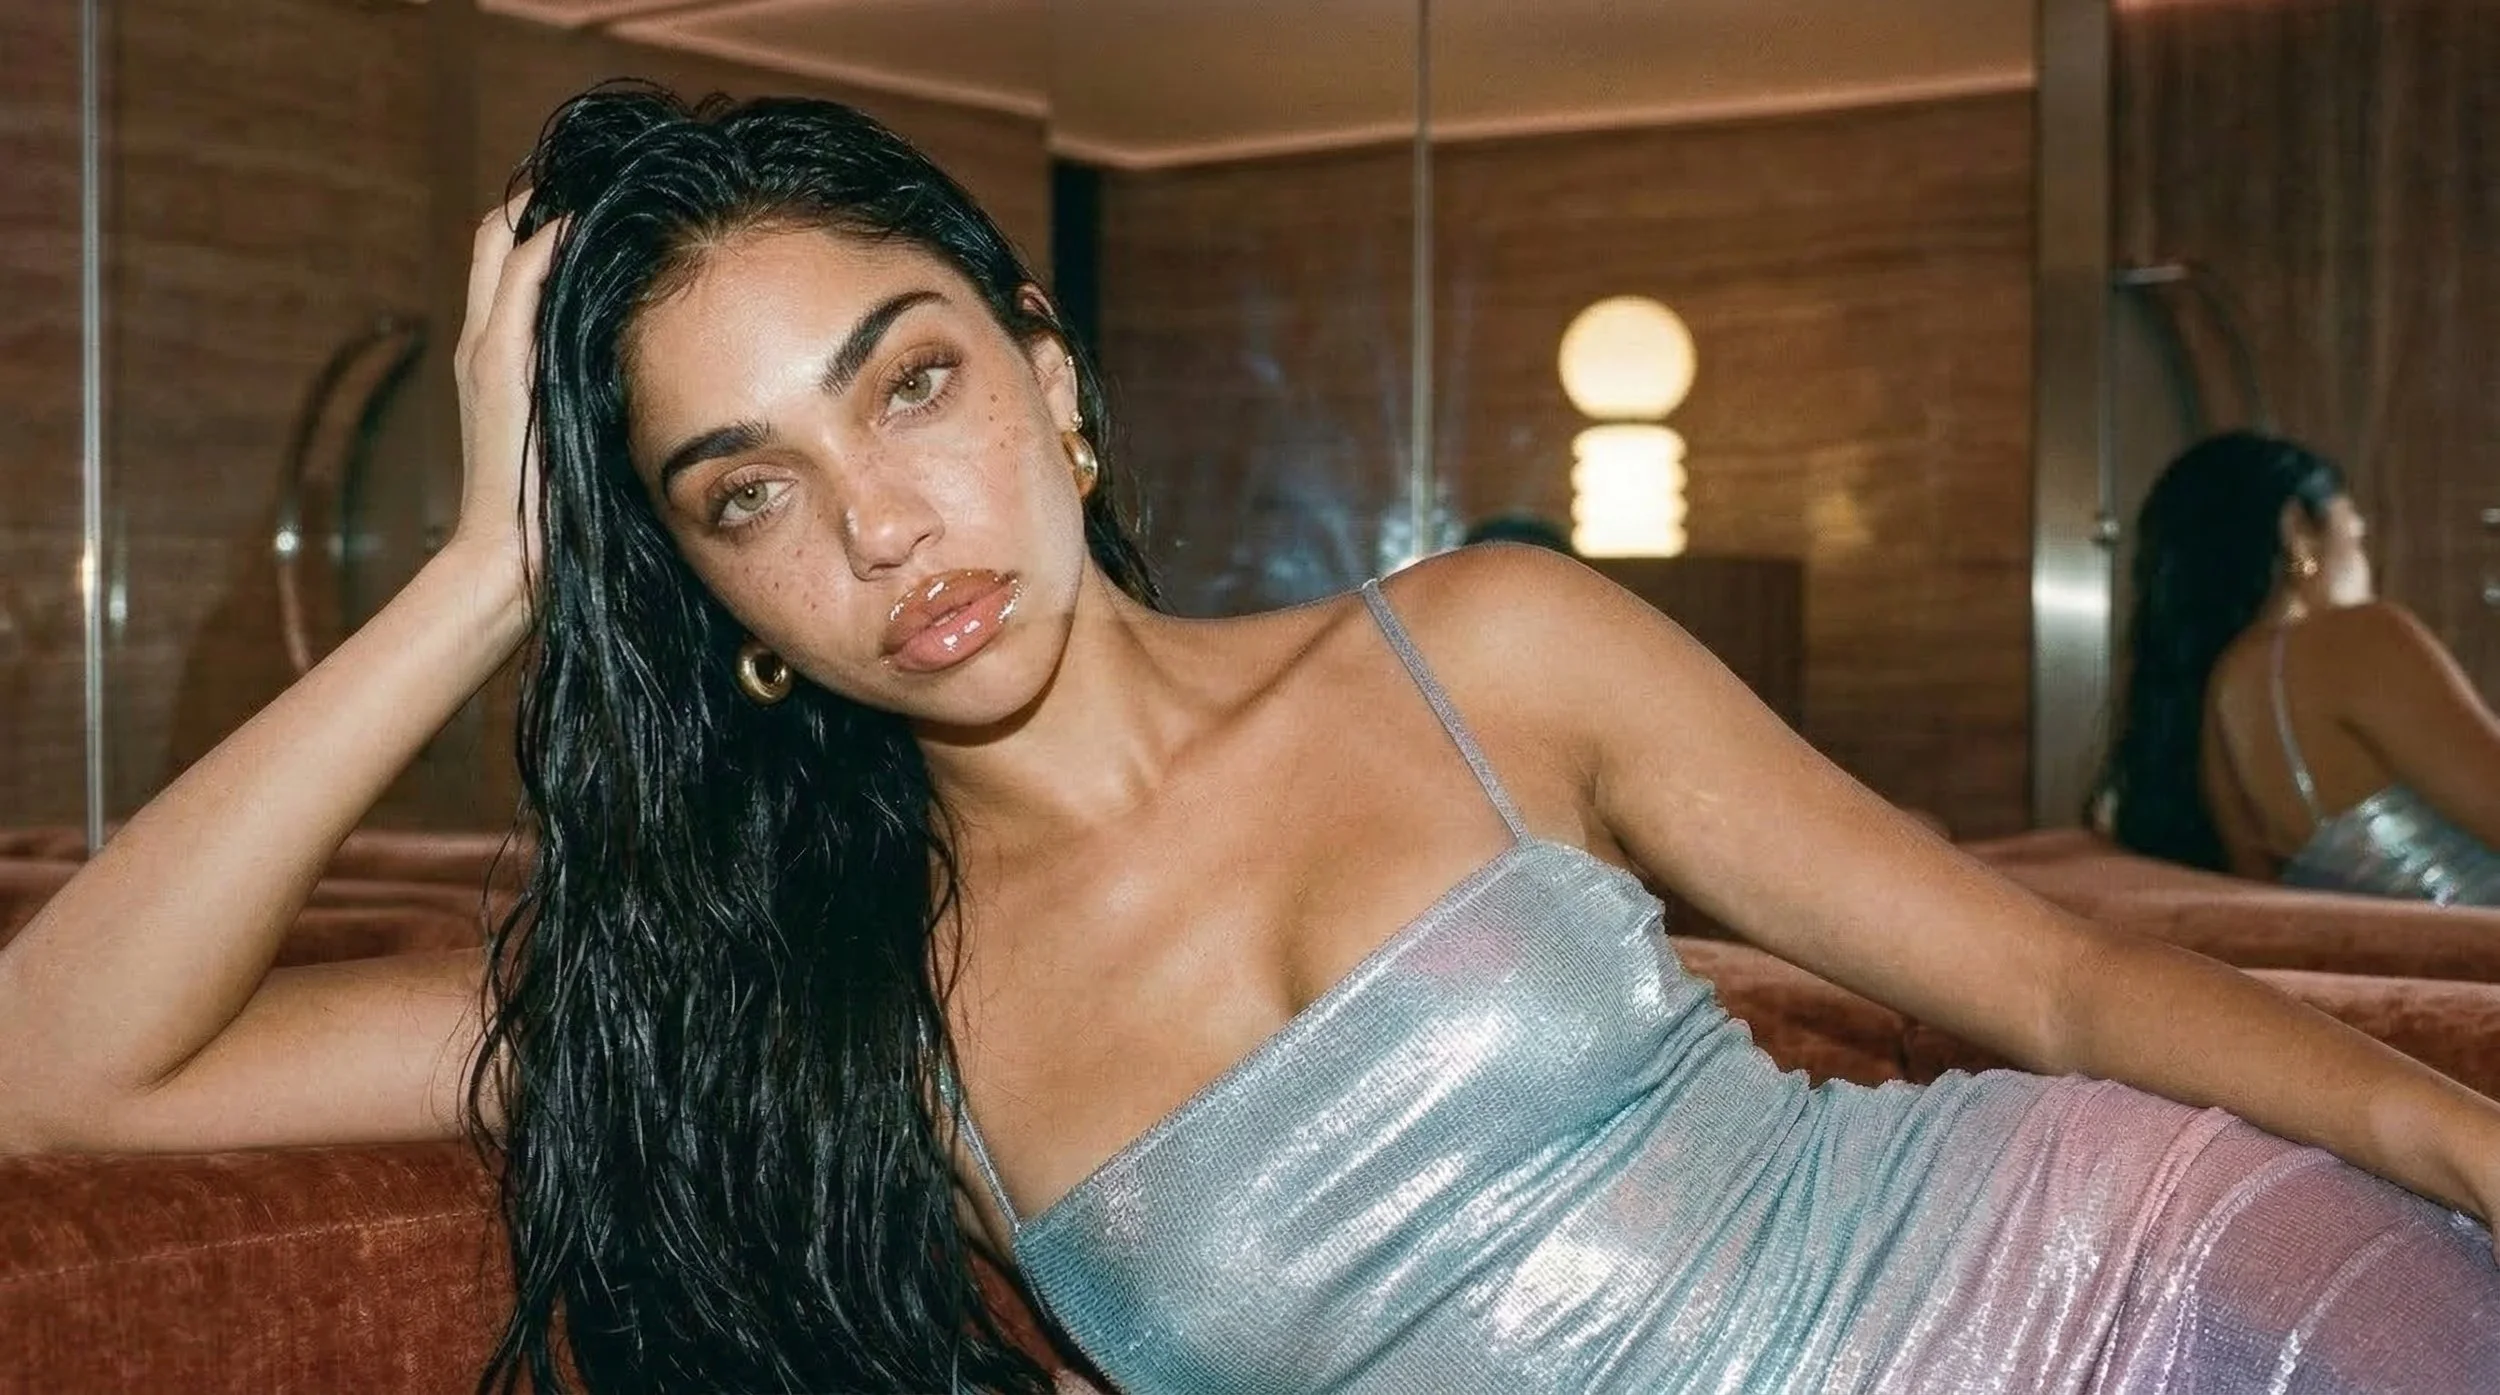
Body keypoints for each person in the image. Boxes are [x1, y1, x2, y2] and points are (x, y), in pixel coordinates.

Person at [3, 85, 2498, 1394]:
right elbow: (59, 1070)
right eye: (745, 492)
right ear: (702, 587)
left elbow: (2048, 983)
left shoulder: (1486, 648)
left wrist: (2461, 1141)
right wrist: (483, 571)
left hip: (2141, 1288)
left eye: (913, 384)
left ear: (1049, 380)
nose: (881, 524)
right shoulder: (811, 1001)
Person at [2098, 431, 2500, 902]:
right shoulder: (2359, 640)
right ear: (2298, 531)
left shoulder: (2218, 704)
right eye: (2357, 540)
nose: (2368, 570)